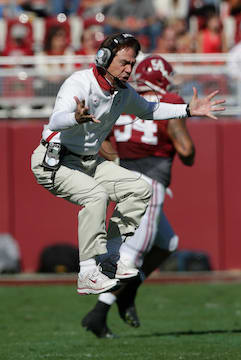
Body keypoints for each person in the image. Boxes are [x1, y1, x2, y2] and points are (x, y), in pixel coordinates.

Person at [31, 33, 225, 297]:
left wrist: (188, 110)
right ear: (104, 58)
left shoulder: (121, 93)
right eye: (124, 62)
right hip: (54, 161)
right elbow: (55, 121)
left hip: (88, 161)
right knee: (96, 196)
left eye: (132, 64)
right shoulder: (79, 82)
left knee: (138, 188)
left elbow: (149, 109)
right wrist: (75, 118)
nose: (129, 69)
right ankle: (87, 272)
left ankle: (111, 258)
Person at [81, 54, 196, 338]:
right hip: (150, 182)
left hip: (123, 179)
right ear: (164, 80)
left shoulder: (124, 98)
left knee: (168, 242)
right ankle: (99, 313)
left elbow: (101, 137)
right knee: (132, 253)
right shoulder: (166, 101)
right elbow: (187, 153)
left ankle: (128, 292)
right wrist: (181, 115)